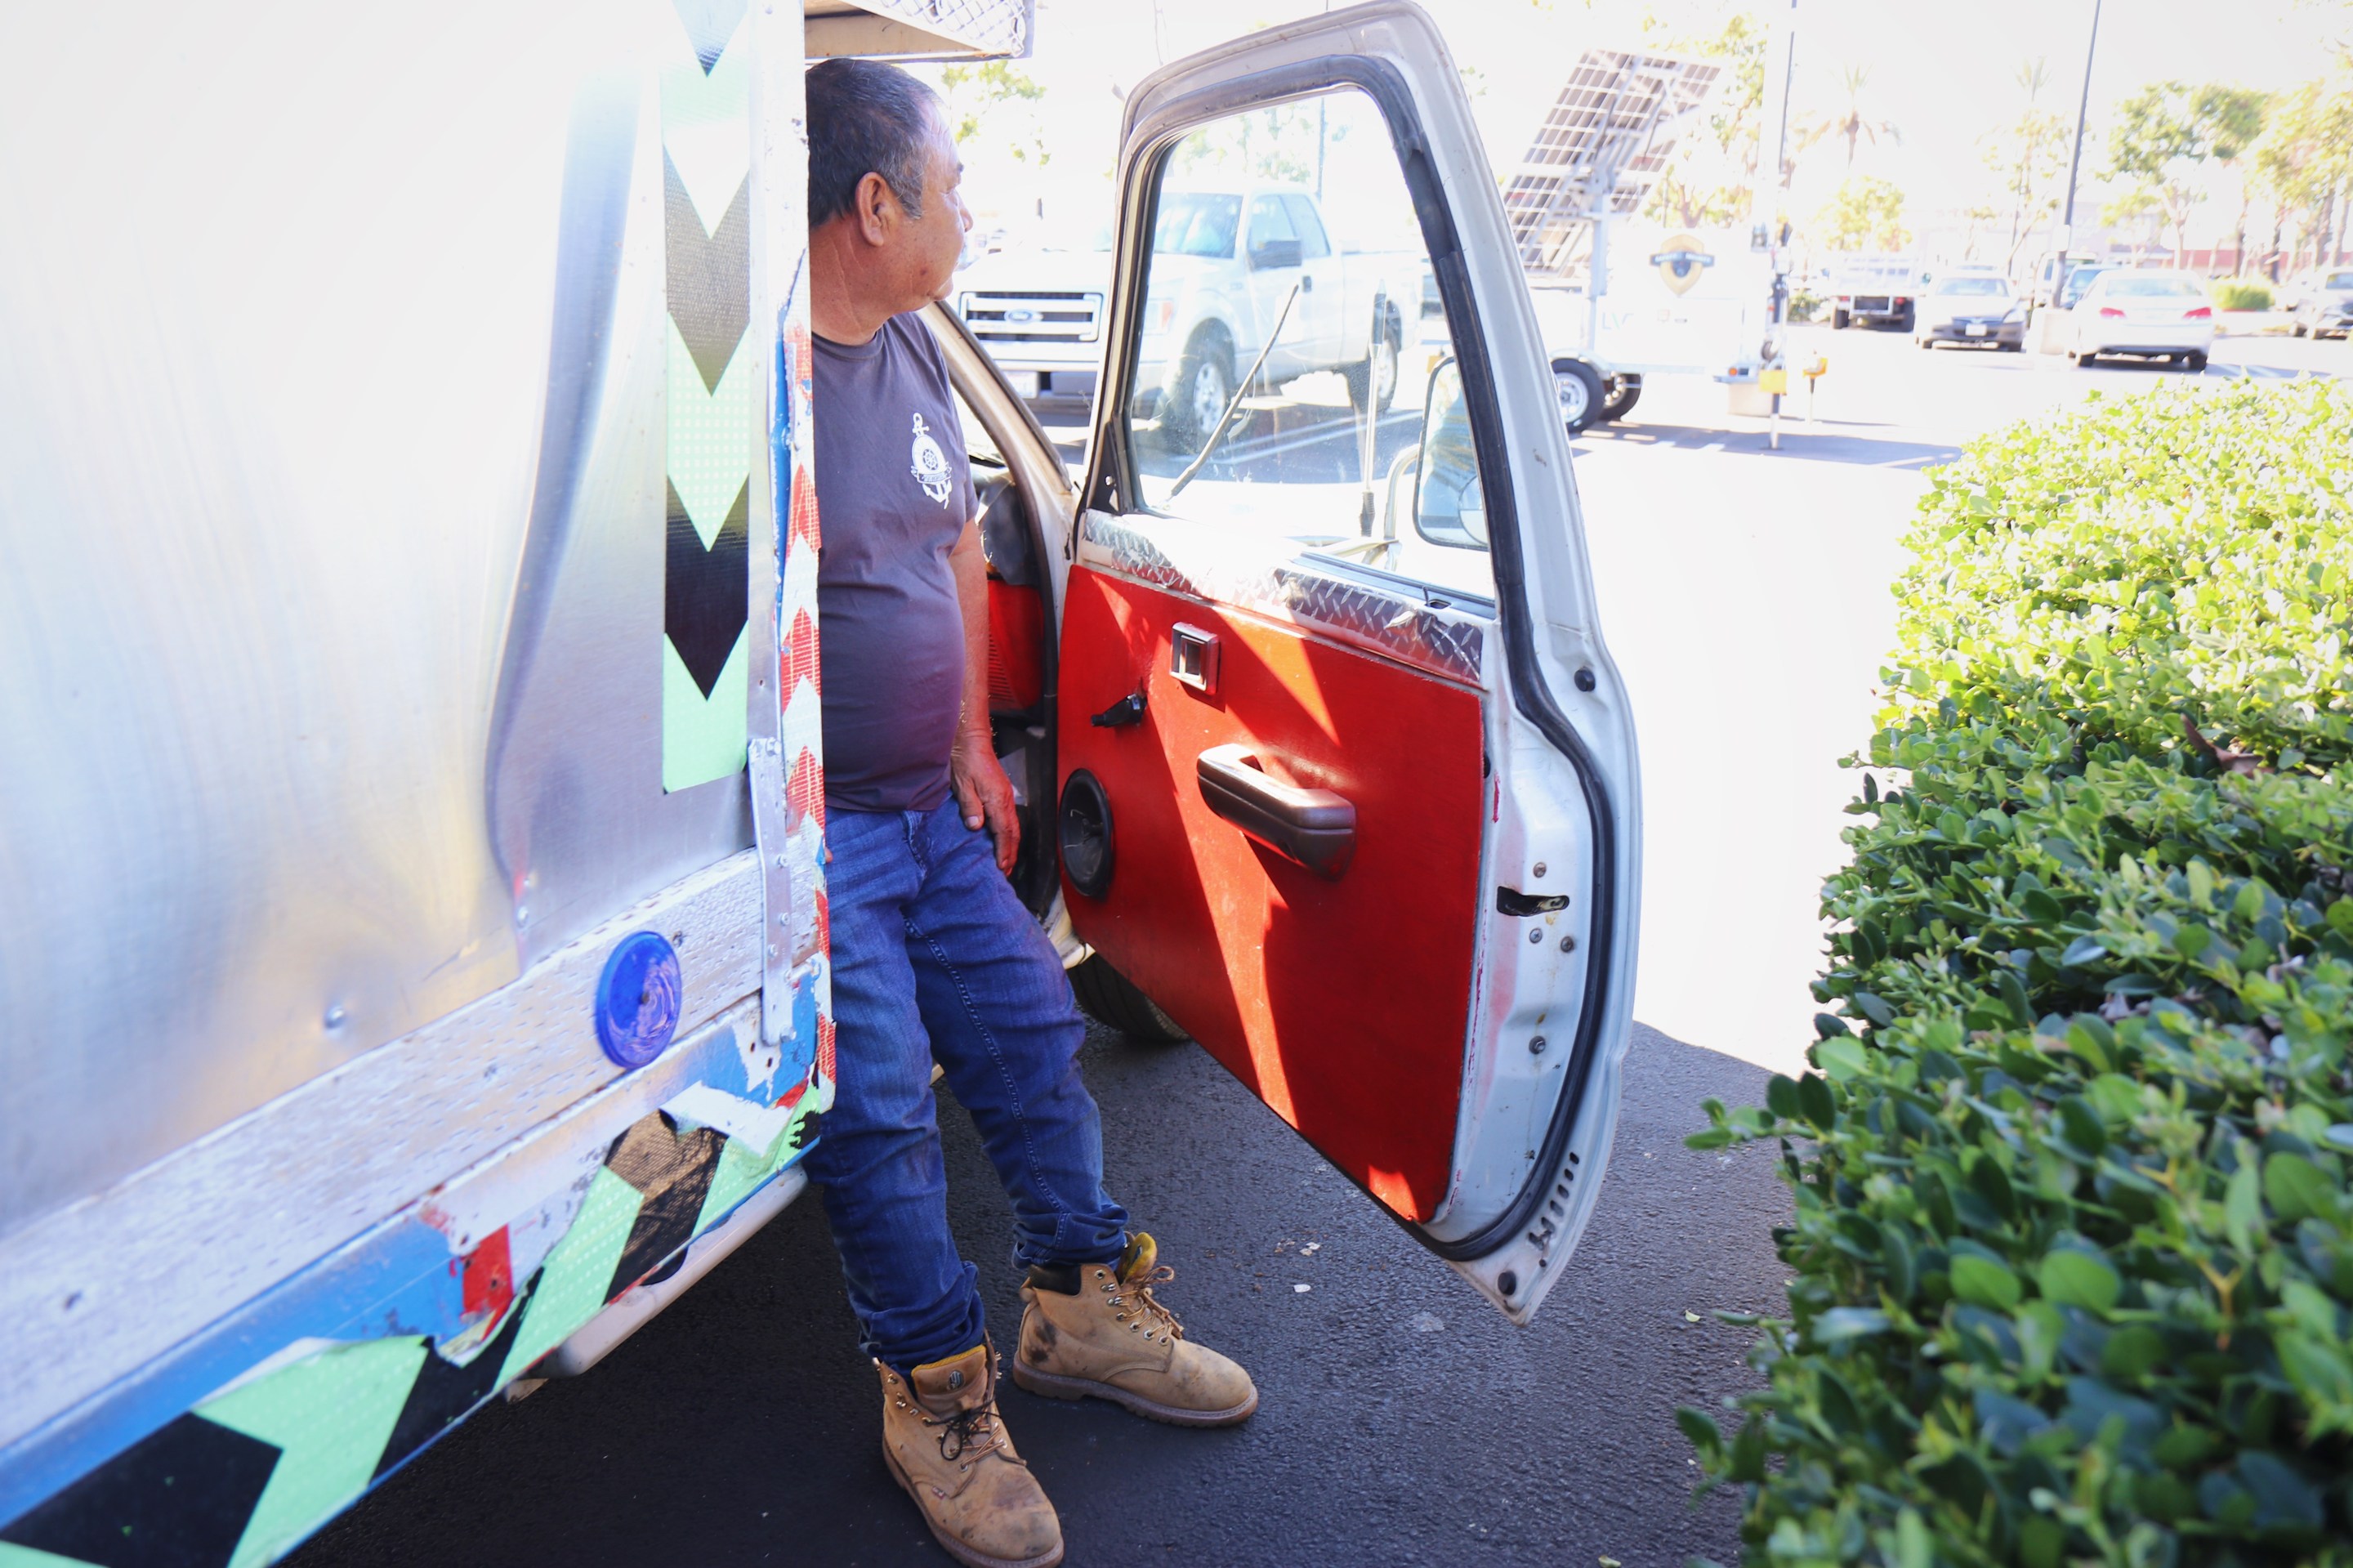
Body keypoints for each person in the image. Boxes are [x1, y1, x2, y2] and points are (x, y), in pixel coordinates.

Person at [798, 56, 1257, 1568]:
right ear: (876, 205)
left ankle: (1080, 1311)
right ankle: (934, 1391)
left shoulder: (914, 346)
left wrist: (966, 744)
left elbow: (948, 546)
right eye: (952, 181)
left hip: (925, 810)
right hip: (816, 839)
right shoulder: (735, 382)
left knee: (1032, 1031)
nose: (971, 208)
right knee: (874, 1118)